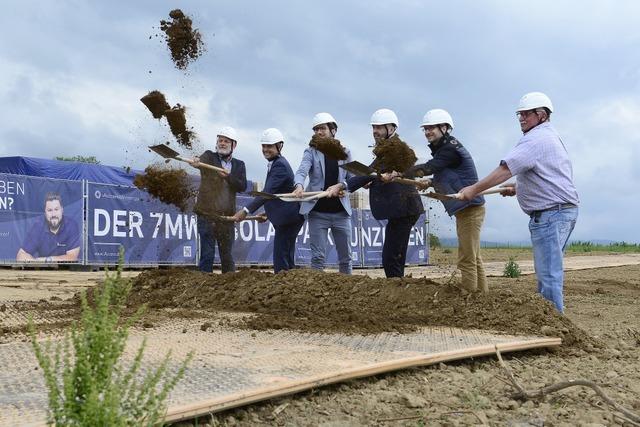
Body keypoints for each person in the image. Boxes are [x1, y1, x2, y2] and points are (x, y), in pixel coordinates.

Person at [458, 92, 579, 312]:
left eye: (526, 114)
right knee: (548, 272)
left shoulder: (535, 139)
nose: (521, 118)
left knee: (549, 275)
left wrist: (473, 190)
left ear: (541, 115)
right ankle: (551, 323)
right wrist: (519, 187)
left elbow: (505, 169)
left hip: (551, 214)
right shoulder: (549, 136)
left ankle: (556, 329)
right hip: (562, 211)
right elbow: (547, 175)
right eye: (519, 115)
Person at [403, 109, 487, 293]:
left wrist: (400, 172)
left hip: (470, 208)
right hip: (467, 208)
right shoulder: (446, 149)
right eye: (425, 129)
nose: (427, 132)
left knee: (467, 257)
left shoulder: (450, 149)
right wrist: (431, 182)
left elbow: (429, 167)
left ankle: (470, 295)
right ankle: (481, 296)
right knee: (473, 255)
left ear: (445, 128)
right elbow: (448, 174)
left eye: (431, 128)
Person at [346, 109, 424, 278]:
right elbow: (377, 173)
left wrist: (345, 187)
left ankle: (397, 291)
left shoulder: (395, 148)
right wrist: (374, 181)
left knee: (390, 258)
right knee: (396, 256)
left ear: (391, 128)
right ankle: (400, 288)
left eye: (379, 128)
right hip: (404, 210)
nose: (375, 131)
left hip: (404, 210)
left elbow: (370, 171)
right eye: (373, 127)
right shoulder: (389, 148)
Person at [233, 128, 304, 273]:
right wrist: (267, 212)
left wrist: (245, 211)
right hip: (288, 216)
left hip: (289, 218)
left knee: (281, 257)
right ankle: (288, 284)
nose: (265, 149)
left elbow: (267, 192)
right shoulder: (275, 163)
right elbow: (277, 195)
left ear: (280, 146)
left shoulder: (280, 166)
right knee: (286, 255)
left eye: (269, 146)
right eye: (263, 146)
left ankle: (283, 286)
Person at [293, 112, 354, 274]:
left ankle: (348, 291)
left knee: (346, 257)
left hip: (341, 213)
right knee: (318, 258)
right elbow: (302, 171)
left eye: (322, 128)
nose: (319, 132)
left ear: (333, 130)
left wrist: (344, 188)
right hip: (318, 213)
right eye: (316, 129)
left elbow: (352, 179)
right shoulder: (311, 152)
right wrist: (299, 185)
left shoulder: (345, 152)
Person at [192, 126, 247, 273]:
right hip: (207, 215)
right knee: (207, 254)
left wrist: (228, 177)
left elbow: (242, 186)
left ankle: (230, 289)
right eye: (220, 140)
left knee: (227, 256)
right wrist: (197, 161)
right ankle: (203, 285)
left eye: (226, 141)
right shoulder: (209, 157)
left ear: (233, 145)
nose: (222, 143)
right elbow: (200, 160)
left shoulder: (239, 165)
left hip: (226, 217)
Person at [17, 192, 80, 262]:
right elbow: (21, 255)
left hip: (66, 271)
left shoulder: (71, 225)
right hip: (44, 270)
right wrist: (35, 262)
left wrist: (47, 260)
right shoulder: (38, 226)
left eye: (56, 209)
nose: (53, 214)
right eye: (50, 210)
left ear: (62, 210)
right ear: (45, 212)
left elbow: (72, 257)